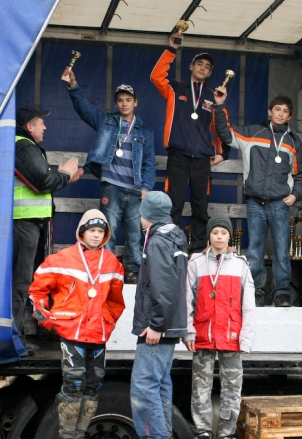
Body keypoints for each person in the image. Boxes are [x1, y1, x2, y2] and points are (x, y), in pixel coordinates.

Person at [28, 209, 125, 439]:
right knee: (73, 385)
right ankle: (67, 435)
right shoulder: (61, 258)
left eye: (100, 231)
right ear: (81, 232)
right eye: (92, 230)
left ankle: (80, 434)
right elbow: (36, 292)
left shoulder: (112, 262)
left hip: (98, 335)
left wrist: (108, 323)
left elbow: (116, 301)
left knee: (93, 386)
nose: (96, 235)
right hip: (72, 334)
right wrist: (47, 320)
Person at [213, 93, 302, 307]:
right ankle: (256, 291)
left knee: (281, 251)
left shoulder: (293, 142)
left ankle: (282, 293)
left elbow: (301, 174)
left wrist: (295, 195)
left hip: (280, 203)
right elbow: (226, 133)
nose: (280, 114)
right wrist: (220, 106)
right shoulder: (252, 133)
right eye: (277, 110)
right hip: (255, 202)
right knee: (255, 249)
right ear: (269, 112)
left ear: (289, 116)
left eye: (285, 111)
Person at [63, 67, 156, 284]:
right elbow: (84, 110)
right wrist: (73, 86)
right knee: (109, 231)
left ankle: (133, 272)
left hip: (135, 190)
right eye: (120, 100)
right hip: (111, 187)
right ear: (116, 103)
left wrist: (146, 187)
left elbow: (149, 163)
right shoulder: (106, 122)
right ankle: (109, 271)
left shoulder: (145, 132)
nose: (124, 104)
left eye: (128, 100)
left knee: (134, 234)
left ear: (136, 102)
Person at [150, 34, 230, 254]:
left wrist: (223, 152)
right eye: (199, 64)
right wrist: (171, 50)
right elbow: (156, 77)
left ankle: (198, 250)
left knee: (200, 208)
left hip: (202, 160)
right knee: (173, 205)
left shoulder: (214, 96)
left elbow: (222, 125)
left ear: (210, 73)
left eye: (207, 67)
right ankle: (172, 247)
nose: (203, 68)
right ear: (191, 66)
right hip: (178, 156)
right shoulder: (175, 88)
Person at [14, 105, 83, 356]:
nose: (45, 126)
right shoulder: (24, 146)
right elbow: (43, 182)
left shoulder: (25, 147)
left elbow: (42, 180)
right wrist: (64, 173)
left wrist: (63, 177)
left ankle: (16, 337)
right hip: (23, 223)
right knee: (19, 284)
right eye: (41, 122)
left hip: (28, 223)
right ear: (29, 126)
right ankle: (13, 341)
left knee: (23, 282)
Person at [184, 215, 256, 439]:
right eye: (215, 232)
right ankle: (202, 430)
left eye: (224, 233)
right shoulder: (196, 263)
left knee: (232, 387)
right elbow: (187, 300)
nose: (219, 237)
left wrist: (246, 338)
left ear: (229, 236)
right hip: (203, 335)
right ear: (209, 235)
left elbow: (249, 305)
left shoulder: (240, 265)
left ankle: (227, 432)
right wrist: (188, 332)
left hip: (231, 336)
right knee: (200, 386)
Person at [130, 191, 188, 439]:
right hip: (168, 326)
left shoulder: (157, 242)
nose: (139, 217)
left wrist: (155, 325)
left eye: (142, 213)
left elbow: (163, 288)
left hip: (156, 328)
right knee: (160, 386)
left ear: (149, 215)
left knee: (143, 390)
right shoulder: (174, 238)